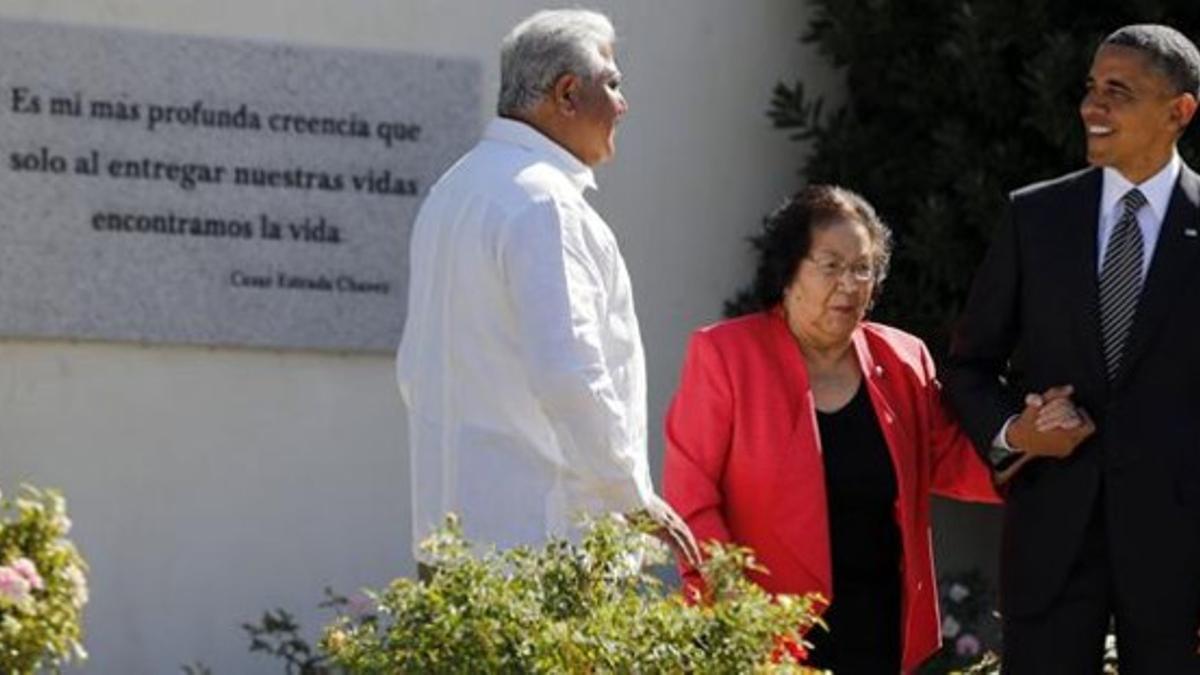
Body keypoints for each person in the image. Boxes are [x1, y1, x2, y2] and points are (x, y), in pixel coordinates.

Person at [663, 186, 1072, 672]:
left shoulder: (902, 359)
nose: (851, 283)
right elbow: (692, 501)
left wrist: (1027, 436)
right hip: (764, 629)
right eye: (831, 265)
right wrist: (734, 608)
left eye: (863, 268)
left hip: (880, 624)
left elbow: (950, 460)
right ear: (789, 270)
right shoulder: (726, 355)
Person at [396, 9, 697, 566]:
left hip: (451, 548)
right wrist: (631, 497)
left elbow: (416, 369)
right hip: (542, 548)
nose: (623, 105)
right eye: (612, 84)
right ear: (566, 93)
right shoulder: (543, 204)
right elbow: (569, 372)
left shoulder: (454, 188)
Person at [945, 24, 1200, 673]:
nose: (1092, 107)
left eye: (1118, 91)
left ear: (1180, 111)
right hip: (1051, 547)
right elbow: (970, 364)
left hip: (1180, 558)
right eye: (1091, 88)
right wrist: (1018, 431)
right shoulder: (1036, 217)